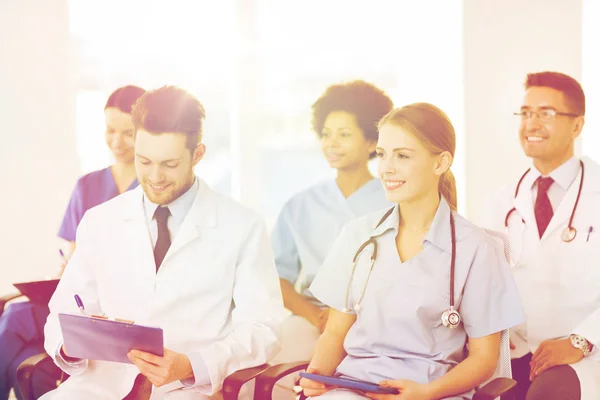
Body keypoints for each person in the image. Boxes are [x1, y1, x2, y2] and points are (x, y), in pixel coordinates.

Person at [41, 85, 283, 399]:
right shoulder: (100, 221)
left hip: (188, 388)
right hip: (102, 384)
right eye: (144, 162)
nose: (155, 177)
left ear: (197, 155)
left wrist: (191, 365)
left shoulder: (242, 226)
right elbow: (61, 312)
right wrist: (72, 346)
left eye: (169, 164)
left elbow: (263, 330)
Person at [300, 103, 524, 399]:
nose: (386, 168)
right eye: (382, 154)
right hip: (354, 388)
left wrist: (426, 393)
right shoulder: (358, 236)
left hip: (434, 391)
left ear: (440, 162)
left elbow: (484, 359)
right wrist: (316, 375)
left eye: (402, 156)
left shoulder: (477, 249)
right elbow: (335, 333)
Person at [0, 85, 145, 400]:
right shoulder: (87, 185)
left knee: (16, 331)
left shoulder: (152, 190)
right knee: (13, 312)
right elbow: (73, 256)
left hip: (117, 300)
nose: (117, 142)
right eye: (110, 131)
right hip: (76, 291)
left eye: (128, 133)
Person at [481, 71, 600, 400]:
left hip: (589, 352)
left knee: (550, 392)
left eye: (545, 113)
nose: (531, 124)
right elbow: (485, 285)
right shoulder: (500, 202)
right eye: (526, 113)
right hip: (519, 353)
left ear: (577, 126)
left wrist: (581, 340)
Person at [270, 80, 393, 397]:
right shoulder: (299, 206)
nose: (331, 143)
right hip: (315, 319)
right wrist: (316, 316)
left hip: (380, 321)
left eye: (344, 134)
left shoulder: (396, 200)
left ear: (371, 142)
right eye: (326, 134)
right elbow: (276, 278)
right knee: (276, 372)